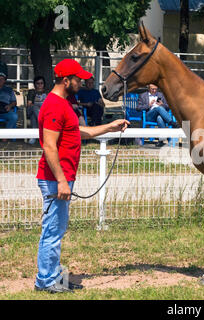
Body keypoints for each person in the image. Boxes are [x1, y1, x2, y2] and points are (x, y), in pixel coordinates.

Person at [34, 59, 129, 294]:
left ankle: (53, 276)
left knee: (56, 229)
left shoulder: (63, 103)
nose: (81, 82)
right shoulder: (55, 105)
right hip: (57, 179)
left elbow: (77, 132)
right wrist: (62, 181)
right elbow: (49, 146)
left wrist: (109, 127)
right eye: (78, 79)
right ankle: (45, 281)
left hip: (60, 178)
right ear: (66, 80)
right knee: (52, 231)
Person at [27, 76, 48, 144]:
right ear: (35, 84)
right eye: (38, 83)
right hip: (32, 109)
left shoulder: (47, 92)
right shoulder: (32, 92)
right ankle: (42, 126)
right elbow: (29, 104)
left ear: (44, 84)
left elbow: (49, 104)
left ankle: (33, 137)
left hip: (43, 112)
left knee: (34, 117)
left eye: (41, 83)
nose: (40, 85)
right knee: (34, 107)